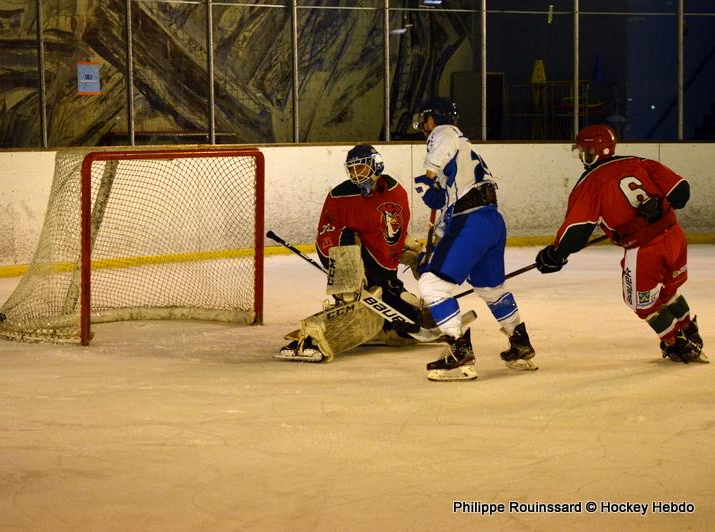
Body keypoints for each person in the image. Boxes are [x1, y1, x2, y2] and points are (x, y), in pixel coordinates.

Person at [534, 124, 707, 363]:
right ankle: (690, 331)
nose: (582, 156)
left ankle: (677, 344)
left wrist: (556, 254)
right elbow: (681, 192)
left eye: (585, 151)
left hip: (645, 250)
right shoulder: (639, 162)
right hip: (675, 237)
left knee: (640, 303)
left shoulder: (590, 183)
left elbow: (576, 232)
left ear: (595, 151)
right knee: (668, 291)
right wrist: (654, 210)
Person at [410, 96, 537, 381]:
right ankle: (520, 344)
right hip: (490, 221)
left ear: (433, 119)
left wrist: (428, 175)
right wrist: (436, 247)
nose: (425, 128)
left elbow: (445, 138)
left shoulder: (445, 132)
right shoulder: (463, 158)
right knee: (491, 289)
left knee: (432, 285)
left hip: (471, 222)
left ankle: (459, 353)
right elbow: (447, 206)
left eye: (426, 120)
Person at [276, 144, 424, 362]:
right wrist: (348, 271)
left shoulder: (396, 193)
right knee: (352, 299)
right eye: (352, 169)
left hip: (383, 271)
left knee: (411, 324)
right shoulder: (340, 196)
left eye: (361, 168)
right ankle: (316, 336)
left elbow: (389, 233)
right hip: (355, 266)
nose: (356, 174)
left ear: (376, 166)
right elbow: (326, 237)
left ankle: (383, 329)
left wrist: (413, 253)